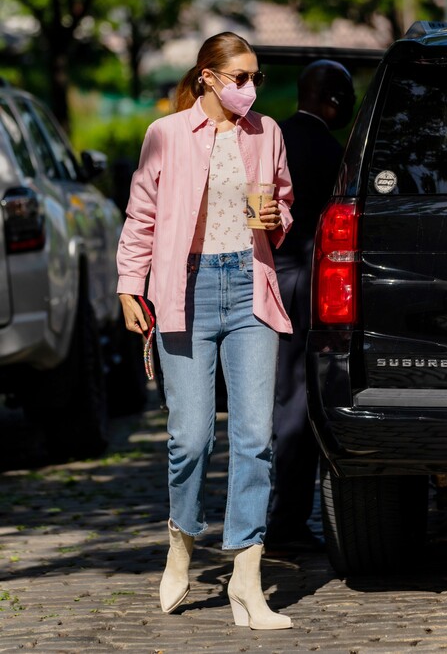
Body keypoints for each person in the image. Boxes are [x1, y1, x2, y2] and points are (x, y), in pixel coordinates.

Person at [116, 32, 294, 629]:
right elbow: (141, 214)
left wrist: (277, 216)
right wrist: (127, 285)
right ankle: (181, 541)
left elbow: (284, 203)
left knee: (255, 436)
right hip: (184, 290)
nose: (250, 89)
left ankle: (247, 576)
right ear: (208, 78)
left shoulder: (267, 133)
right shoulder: (165, 135)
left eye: (255, 79)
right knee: (190, 438)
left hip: (249, 286)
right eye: (240, 77)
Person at [265, 60, 356, 556]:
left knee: (269, 400)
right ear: (334, 102)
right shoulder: (334, 153)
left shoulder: (269, 136)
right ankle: (286, 519)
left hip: (259, 277)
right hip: (304, 282)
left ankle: (266, 510)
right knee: (298, 401)